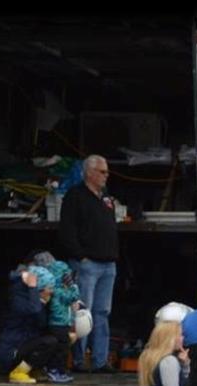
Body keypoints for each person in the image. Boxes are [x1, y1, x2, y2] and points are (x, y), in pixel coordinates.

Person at [58, 154, 119, 374]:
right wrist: (80, 256)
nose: (106, 176)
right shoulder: (75, 196)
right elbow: (67, 230)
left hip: (107, 264)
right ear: (89, 172)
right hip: (87, 263)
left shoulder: (105, 198)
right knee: (83, 312)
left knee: (102, 312)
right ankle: (78, 359)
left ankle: (100, 360)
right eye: (102, 171)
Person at [0, 259, 67, 384]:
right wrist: (33, 288)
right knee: (49, 342)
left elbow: (43, 323)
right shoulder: (19, 299)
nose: (50, 293)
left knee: (60, 338)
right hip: (11, 351)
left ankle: (39, 369)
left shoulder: (37, 300)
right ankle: (18, 372)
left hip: (25, 343)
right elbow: (35, 313)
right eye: (48, 289)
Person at [41, 255, 80, 384]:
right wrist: (73, 285)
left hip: (59, 323)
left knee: (60, 347)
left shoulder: (56, 290)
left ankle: (57, 370)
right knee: (62, 349)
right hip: (59, 324)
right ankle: (56, 371)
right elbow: (74, 296)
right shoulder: (58, 291)